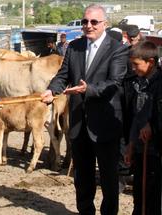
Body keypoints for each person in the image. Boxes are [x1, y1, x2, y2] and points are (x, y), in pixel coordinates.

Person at [41, 4, 129, 215]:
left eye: (94, 22)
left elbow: (115, 83)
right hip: (79, 124)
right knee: (82, 179)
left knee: (109, 179)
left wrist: (88, 89)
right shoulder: (74, 47)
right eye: (84, 22)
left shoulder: (118, 49)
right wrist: (52, 91)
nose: (88, 26)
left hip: (105, 125)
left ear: (104, 24)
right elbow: (63, 76)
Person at [124, 41, 162, 215]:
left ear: (151, 62)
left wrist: (152, 125)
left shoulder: (160, 84)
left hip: (156, 151)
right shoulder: (136, 83)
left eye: (136, 64)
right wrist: (131, 146)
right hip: (141, 149)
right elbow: (136, 118)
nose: (133, 68)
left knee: (154, 197)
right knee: (139, 194)